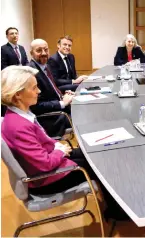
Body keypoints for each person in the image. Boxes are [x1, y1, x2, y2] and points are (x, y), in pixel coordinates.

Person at [1, 65, 129, 221]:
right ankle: (117, 213)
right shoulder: (17, 126)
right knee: (101, 166)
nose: (39, 91)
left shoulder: (20, 114)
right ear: (17, 95)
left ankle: (115, 206)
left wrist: (56, 146)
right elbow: (44, 164)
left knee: (96, 154)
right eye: (34, 88)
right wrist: (60, 151)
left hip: (49, 163)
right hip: (46, 179)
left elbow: (41, 141)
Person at [28, 39, 74, 137]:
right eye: (39, 50)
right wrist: (62, 103)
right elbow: (35, 106)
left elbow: (51, 89)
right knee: (85, 120)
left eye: (46, 49)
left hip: (60, 107)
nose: (44, 53)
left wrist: (63, 94)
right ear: (31, 53)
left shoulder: (46, 66)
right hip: (52, 118)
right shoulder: (30, 73)